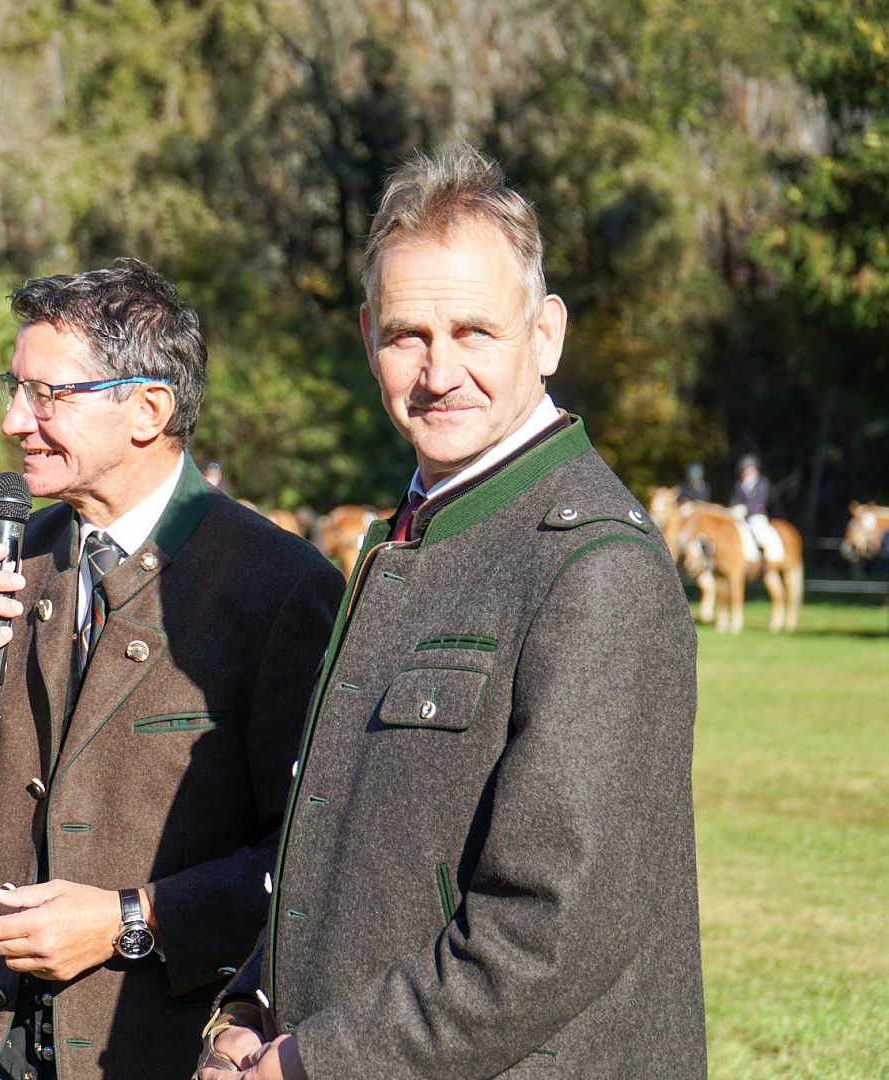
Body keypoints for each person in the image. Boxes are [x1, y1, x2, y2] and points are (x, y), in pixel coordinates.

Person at [199, 145, 707, 1079]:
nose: (439, 372)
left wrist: (313, 1063)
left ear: (545, 335)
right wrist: (249, 1005)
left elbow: (547, 932)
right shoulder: (412, 532)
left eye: (475, 331)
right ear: (368, 338)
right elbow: (343, 846)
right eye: (408, 336)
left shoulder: (595, 569)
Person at [0, 258, 343, 1080]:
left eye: (46, 395)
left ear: (148, 409)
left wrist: (127, 921)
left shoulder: (280, 588)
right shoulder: (23, 558)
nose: (13, 420)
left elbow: (313, 859)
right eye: (14, 388)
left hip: (163, 1051)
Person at [729, 453, 783, 559]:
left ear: (752, 469)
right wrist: (733, 508)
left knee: (759, 533)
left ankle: (768, 555)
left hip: (756, 515)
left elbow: (760, 501)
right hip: (740, 517)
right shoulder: (739, 484)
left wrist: (745, 509)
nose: (743, 473)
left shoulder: (762, 483)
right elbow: (734, 499)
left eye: (745, 470)